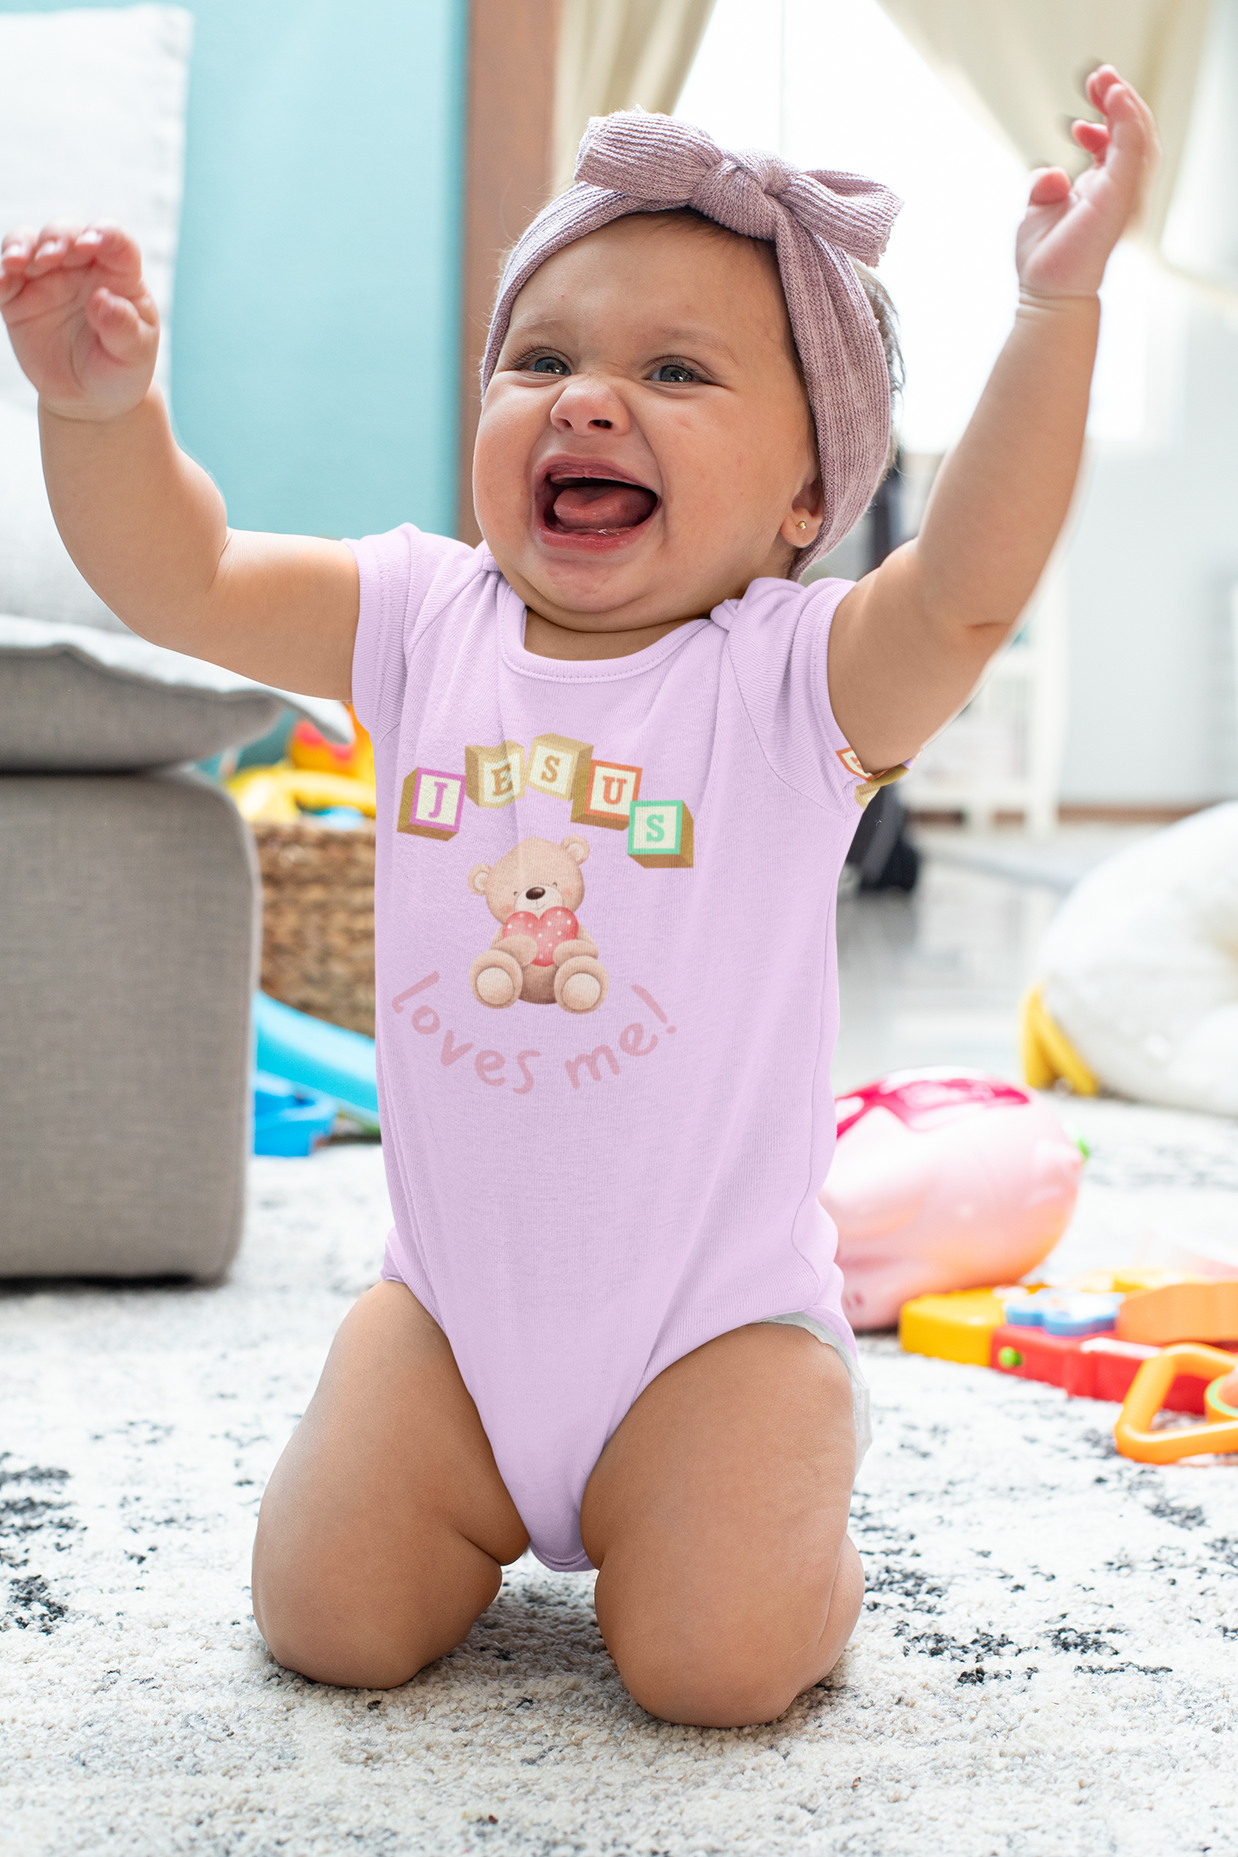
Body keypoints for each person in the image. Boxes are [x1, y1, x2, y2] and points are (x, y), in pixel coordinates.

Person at [0, 68, 1157, 1728]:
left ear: (807, 499)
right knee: (327, 1622)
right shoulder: (418, 619)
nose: (588, 401)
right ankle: (485, 1487)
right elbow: (181, 578)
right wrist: (100, 417)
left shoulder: (795, 685)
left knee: (714, 1671)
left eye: (674, 372)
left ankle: (801, 1529)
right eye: (540, 361)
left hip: (713, 1342)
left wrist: (1054, 308)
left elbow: (967, 589)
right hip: (447, 1329)